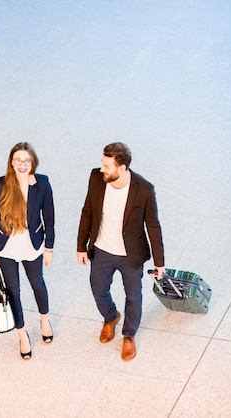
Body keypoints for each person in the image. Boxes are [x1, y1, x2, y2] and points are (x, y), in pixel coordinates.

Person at [76, 142, 165, 361]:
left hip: (130, 255)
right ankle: (111, 317)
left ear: (122, 168)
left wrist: (159, 262)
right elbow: (87, 211)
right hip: (102, 249)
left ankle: (129, 336)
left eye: (107, 166)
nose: (102, 169)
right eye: (102, 164)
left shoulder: (143, 189)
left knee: (133, 297)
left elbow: (153, 226)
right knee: (98, 291)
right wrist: (81, 245)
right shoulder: (97, 178)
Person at [0, 142, 55, 360]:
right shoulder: (0, 184)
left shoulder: (42, 183)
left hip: (32, 245)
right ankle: (21, 333)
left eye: (26, 160)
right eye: (18, 161)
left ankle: (44, 320)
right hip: (6, 246)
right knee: (13, 291)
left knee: (37, 284)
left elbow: (50, 219)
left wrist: (49, 248)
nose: (22, 165)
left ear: (33, 162)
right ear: (11, 162)